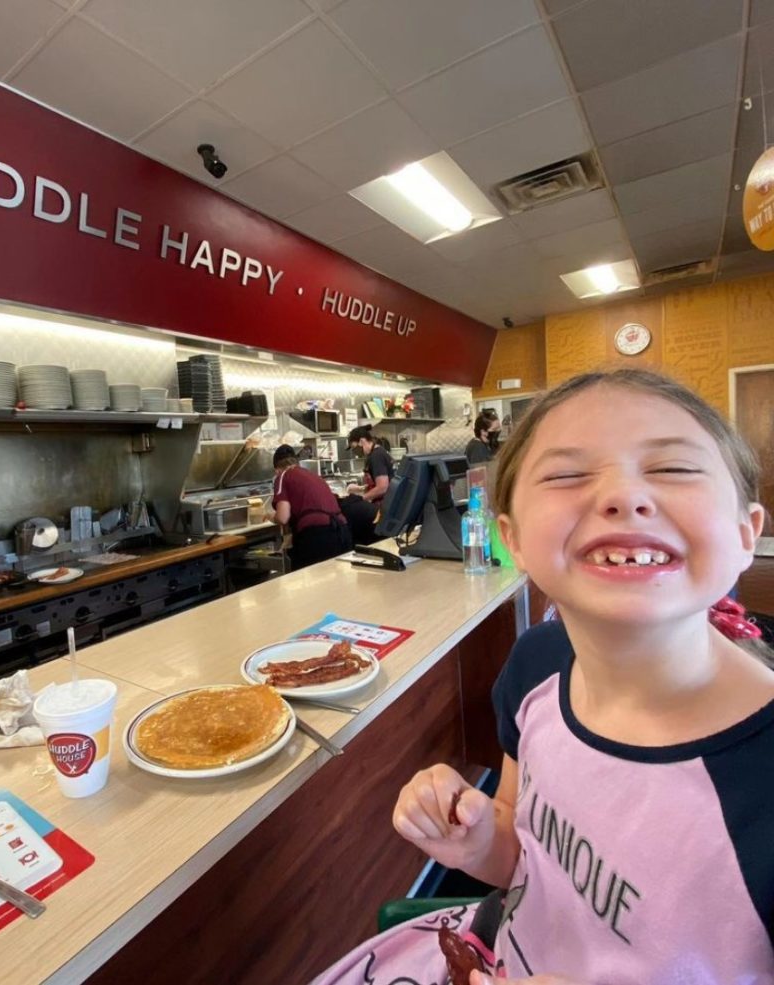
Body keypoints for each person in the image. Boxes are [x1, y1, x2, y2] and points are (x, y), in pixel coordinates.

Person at [311, 368, 773, 985]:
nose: (623, 497)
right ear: (514, 541)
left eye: (673, 469)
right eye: (567, 474)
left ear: (748, 533)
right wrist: (477, 843)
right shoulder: (536, 662)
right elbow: (524, 857)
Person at [267, 444, 351, 570]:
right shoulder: (311, 475)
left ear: (277, 470)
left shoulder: (283, 476)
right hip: (341, 531)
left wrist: (271, 517)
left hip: (318, 536)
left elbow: (283, 517)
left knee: (311, 582)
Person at [346, 425, 396, 506]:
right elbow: (377, 482)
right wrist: (360, 488)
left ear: (362, 441)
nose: (355, 452)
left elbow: (382, 487)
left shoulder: (376, 456)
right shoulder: (377, 452)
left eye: (354, 448)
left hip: (385, 505)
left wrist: (361, 499)